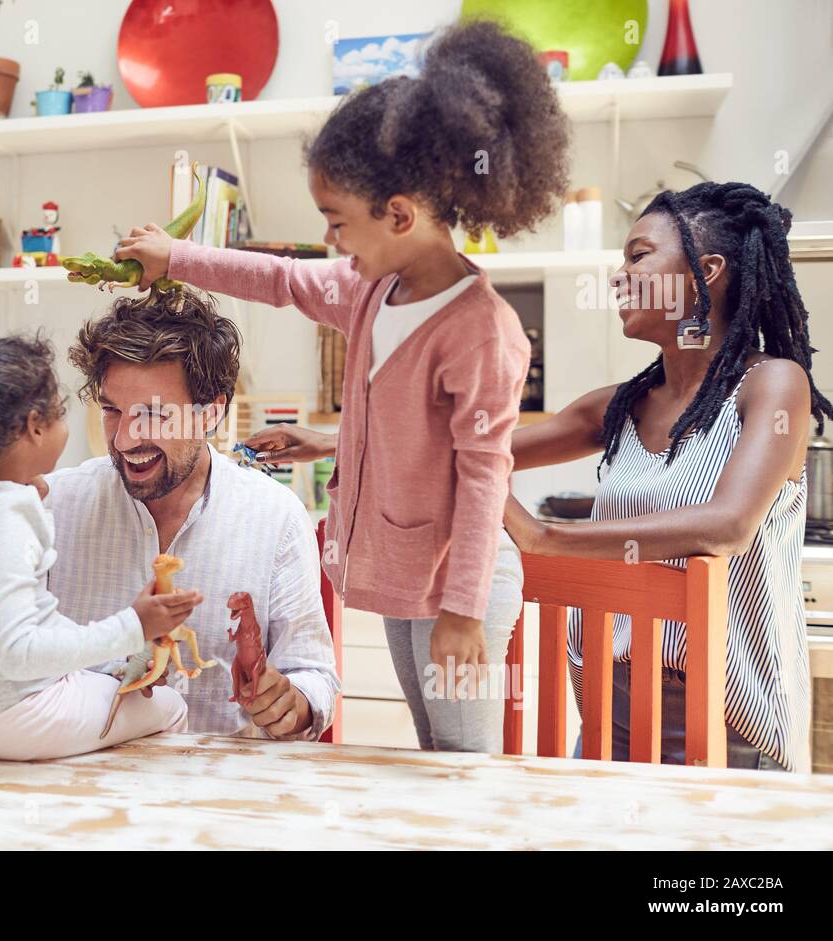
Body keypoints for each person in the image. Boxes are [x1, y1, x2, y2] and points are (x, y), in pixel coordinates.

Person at [111, 20, 571, 752]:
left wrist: (459, 611)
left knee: (461, 763)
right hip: (404, 571)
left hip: (465, 584)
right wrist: (178, 258)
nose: (329, 241)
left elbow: (485, 474)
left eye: (336, 221)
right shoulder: (369, 288)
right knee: (431, 749)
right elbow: (280, 279)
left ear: (399, 214)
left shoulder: (480, 331)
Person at [505, 182, 828, 772]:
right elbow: (479, 452)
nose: (617, 276)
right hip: (609, 712)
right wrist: (335, 443)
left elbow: (726, 525)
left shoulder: (773, 386)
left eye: (638, 255)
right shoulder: (623, 406)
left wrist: (543, 539)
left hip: (729, 728)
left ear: (707, 272)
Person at [44, 291, 341, 739]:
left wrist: (291, 702)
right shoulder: (52, 507)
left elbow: (314, 678)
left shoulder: (275, 517)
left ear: (211, 413)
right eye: (112, 410)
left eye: (154, 414)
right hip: (77, 780)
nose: (125, 440)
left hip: (223, 791)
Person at [0, 333, 202, 760]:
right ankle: (148, 818)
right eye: (60, 415)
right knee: (170, 707)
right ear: (35, 426)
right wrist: (134, 627)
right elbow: (19, 653)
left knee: (111, 688)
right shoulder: (6, 520)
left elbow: (32, 622)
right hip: (18, 717)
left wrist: (121, 651)